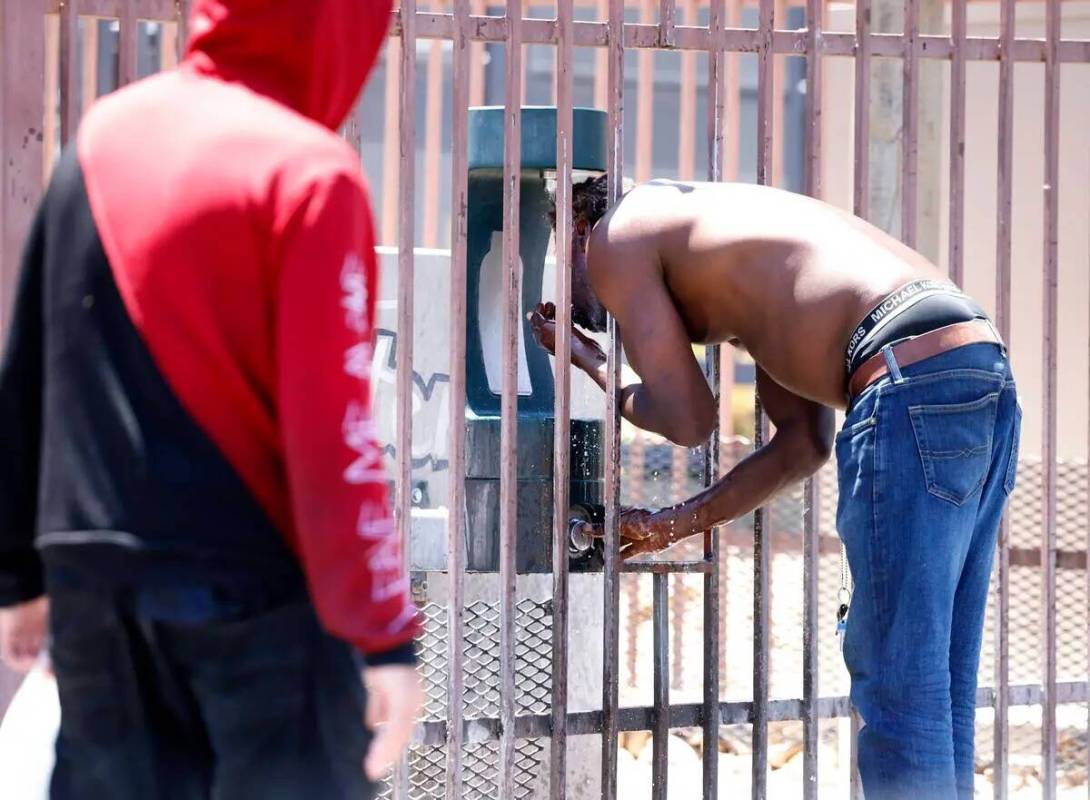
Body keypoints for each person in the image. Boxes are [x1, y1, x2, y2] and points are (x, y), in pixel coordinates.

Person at [0, 1, 422, 797]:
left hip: (97, 592)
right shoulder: (308, 172)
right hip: (256, 596)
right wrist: (383, 638)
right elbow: (336, 433)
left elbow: (32, 372)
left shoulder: (103, 137)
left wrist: (17, 577)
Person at [531, 175, 1020, 800]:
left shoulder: (611, 237)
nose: (573, 287)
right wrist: (675, 523)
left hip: (905, 379)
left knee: (901, 683)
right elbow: (801, 443)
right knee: (936, 680)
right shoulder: (739, 257)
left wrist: (589, 359)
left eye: (556, 256)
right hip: (978, 370)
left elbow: (689, 419)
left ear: (574, 230)